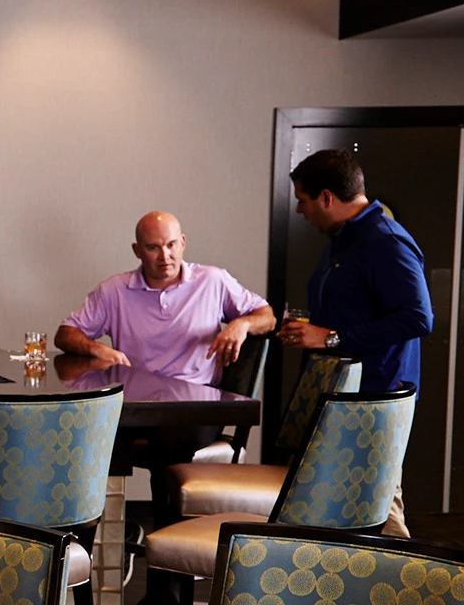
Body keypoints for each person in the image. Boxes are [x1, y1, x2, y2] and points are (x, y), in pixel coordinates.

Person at [281, 148, 432, 535]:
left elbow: (418, 317)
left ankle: (405, 588)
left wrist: (331, 337)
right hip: (344, 397)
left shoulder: (385, 240)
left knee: (380, 511)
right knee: (350, 510)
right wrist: (312, 331)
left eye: (303, 201)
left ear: (327, 198)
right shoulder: (342, 239)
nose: (300, 211)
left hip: (375, 399)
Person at [55, 211, 275, 386]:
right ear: (137, 251)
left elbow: (268, 317)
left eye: (171, 245)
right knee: (93, 431)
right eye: (153, 248)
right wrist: (96, 348)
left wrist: (242, 323)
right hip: (136, 402)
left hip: (196, 404)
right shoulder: (114, 290)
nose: (164, 256)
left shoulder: (213, 281)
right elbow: (65, 334)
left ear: (183, 243)